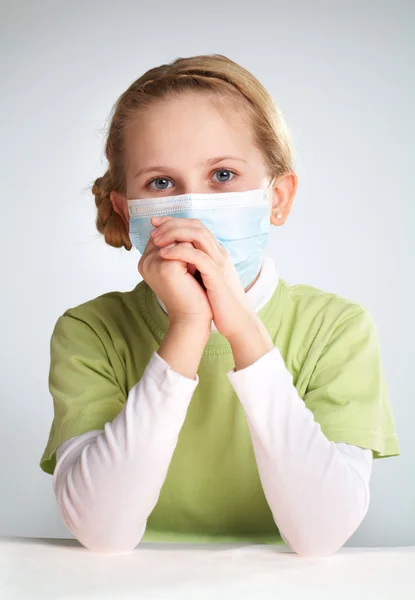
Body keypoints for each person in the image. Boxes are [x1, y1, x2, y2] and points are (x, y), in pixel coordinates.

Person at [39, 54, 400, 557]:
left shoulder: (337, 329)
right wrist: (188, 327)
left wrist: (243, 332)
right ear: (127, 209)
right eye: (161, 183)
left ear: (278, 198)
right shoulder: (90, 331)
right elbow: (102, 532)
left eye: (223, 175)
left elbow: (321, 537)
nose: (191, 210)